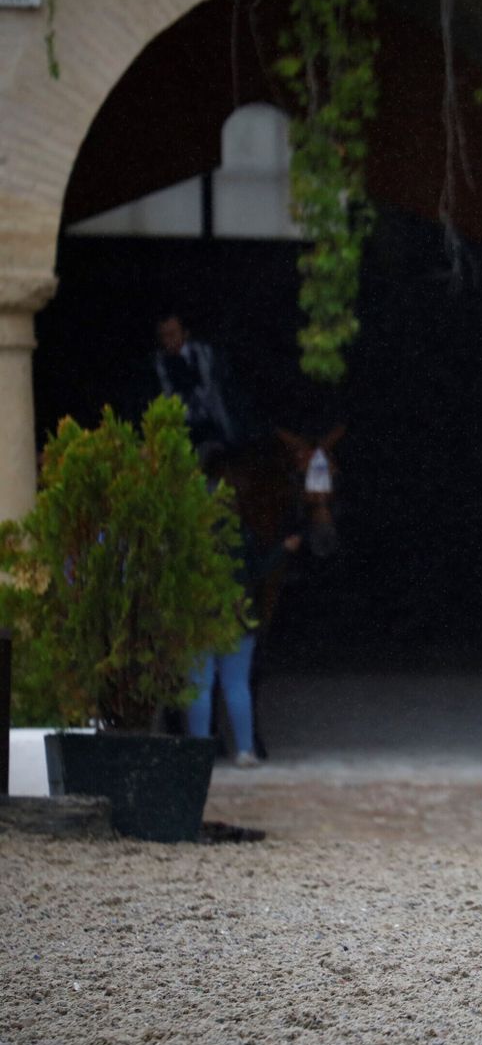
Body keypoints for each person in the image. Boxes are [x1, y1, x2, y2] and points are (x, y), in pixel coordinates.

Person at [188, 451, 302, 766]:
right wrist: (284, 549)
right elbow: (258, 569)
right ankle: (245, 750)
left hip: (198, 617)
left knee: (198, 687)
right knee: (236, 685)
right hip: (238, 616)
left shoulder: (186, 538)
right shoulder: (240, 533)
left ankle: (198, 753)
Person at [152, 309, 242, 455]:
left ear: (185, 333)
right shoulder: (159, 365)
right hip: (186, 434)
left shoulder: (207, 354)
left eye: (172, 334)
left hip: (218, 427)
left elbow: (217, 393)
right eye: (163, 336)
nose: (167, 341)